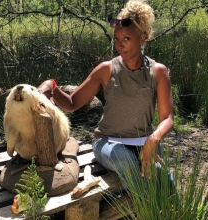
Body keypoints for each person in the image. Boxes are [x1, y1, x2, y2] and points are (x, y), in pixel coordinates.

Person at [38, 0, 174, 184]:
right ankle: (144, 211)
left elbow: (167, 118)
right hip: (109, 143)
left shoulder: (158, 71)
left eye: (126, 39)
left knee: (163, 174)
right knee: (127, 162)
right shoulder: (106, 70)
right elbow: (72, 103)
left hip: (145, 141)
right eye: (116, 39)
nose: (120, 45)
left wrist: (154, 138)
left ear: (142, 38)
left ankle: (175, 213)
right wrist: (51, 87)